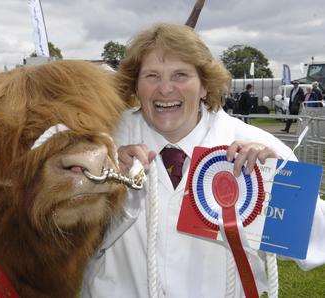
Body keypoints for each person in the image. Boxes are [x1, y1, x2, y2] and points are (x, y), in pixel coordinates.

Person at [82, 23, 325, 298]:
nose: (165, 89)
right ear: (136, 86)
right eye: (151, 76)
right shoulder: (101, 142)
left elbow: (316, 240)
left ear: (204, 87)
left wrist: (277, 187)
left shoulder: (261, 149)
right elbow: (62, 238)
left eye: (180, 75)